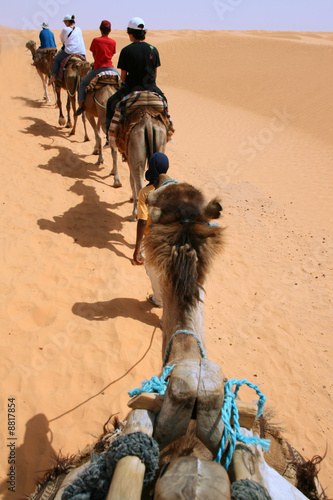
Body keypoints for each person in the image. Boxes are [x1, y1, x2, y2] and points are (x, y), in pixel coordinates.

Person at [106, 17, 167, 135]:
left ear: (131, 33)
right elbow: (154, 75)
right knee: (164, 102)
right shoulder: (153, 50)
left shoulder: (126, 51)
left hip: (131, 88)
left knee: (110, 103)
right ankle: (167, 130)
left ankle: (110, 137)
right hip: (151, 87)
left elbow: (123, 77)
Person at [132, 152, 172, 308]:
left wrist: (137, 249)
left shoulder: (145, 193)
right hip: (172, 237)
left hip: (153, 241)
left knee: (152, 269)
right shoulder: (174, 187)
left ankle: (159, 299)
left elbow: (142, 221)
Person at [76, 20, 117, 116]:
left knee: (82, 84)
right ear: (109, 30)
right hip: (111, 69)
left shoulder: (96, 40)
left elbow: (94, 54)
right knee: (123, 84)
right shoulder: (113, 42)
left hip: (98, 68)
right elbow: (111, 54)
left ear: (100, 29)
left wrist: (97, 61)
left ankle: (81, 105)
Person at [48, 14, 86, 85]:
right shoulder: (78, 29)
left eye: (65, 22)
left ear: (68, 21)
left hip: (69, 51)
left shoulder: (65, 29)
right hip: (81, 52)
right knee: (85, 64)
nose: (65, 23)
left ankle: (53, 76)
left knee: (56, 60)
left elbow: (62, 40)